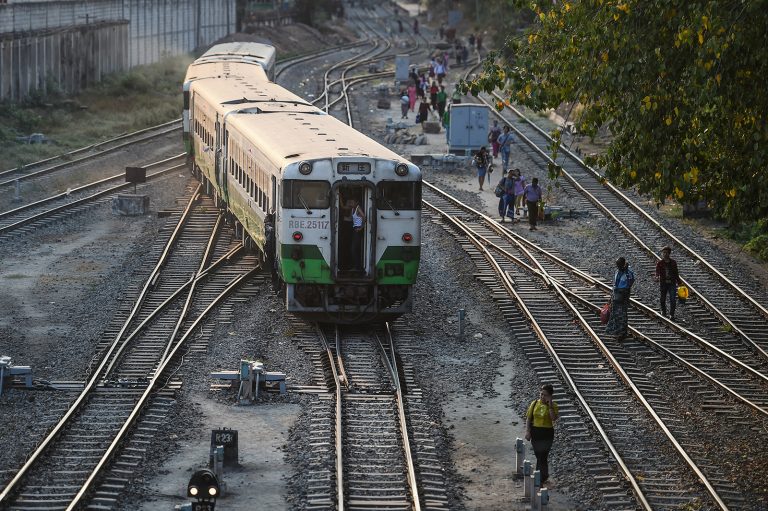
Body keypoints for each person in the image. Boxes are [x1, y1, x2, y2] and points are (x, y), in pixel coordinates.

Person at [525, 384, 559, 485]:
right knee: (538, 454)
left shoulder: (554, 406)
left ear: (550, 396)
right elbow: (528, 418)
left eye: (545, 395)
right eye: (541, 394)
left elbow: (553, 418)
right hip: (536, 432)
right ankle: (544, 475)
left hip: (547, 433)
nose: (542, 397)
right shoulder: (534, 403)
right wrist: (527, 431)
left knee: (542, 455)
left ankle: (539, 479)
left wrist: (550, 406)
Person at [606, 257, 635, 340]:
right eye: (617, 264)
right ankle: (617, 332)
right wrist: (611, 296)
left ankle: (622, 333)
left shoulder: (628, 272)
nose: (617, 266)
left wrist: (624, 291)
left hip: (623, 295)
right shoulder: (618, 271)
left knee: (622, 314)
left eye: (619, 264)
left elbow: (630, 282)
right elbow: (615, 284)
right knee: (615, 314)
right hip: (616, 295)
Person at [655, 246, 683, 320]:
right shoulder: (660, 263)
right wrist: (657, 277)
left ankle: (672, 314)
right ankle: (663, 311)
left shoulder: (673, 263)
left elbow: (676, 273)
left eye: (666, 253)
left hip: (672, 283)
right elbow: (657, 272)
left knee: (673, 299)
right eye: (663, 252)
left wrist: (679, 282)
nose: (664, 254)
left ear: (669, 254)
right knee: (663, 299)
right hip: (663, 283)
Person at [350, 198, 366, 271]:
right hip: (355, 229)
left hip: (358, 230)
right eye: (350, 202)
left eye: (352, 202)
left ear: (356, 202)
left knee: (354, 249)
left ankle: (357, 267)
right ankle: (356, 266)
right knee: (354, 249)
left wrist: (361, 227)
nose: (351, 203)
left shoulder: (358, 208)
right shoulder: (353, 209)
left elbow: (364, 217)